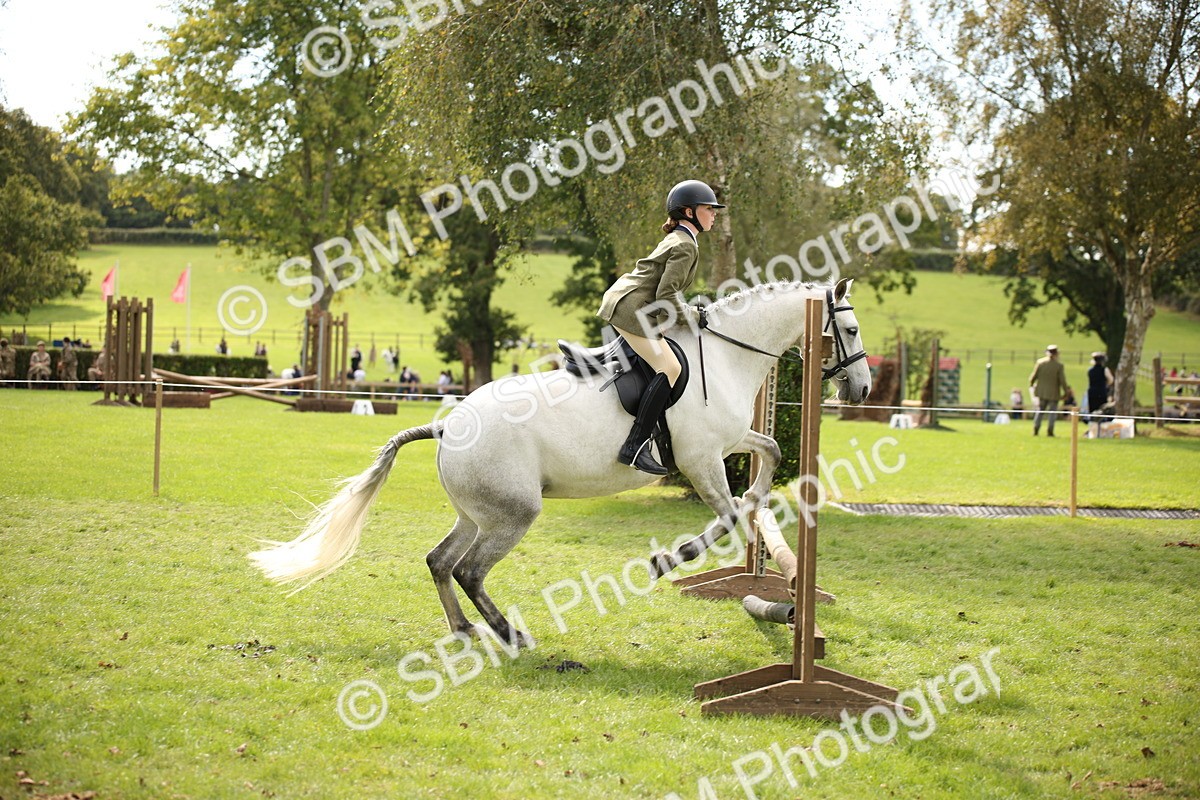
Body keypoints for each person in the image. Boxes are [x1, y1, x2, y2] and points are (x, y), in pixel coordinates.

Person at [596, 179, 724, 474]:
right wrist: (691, 316)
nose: (714, 214)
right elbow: (667, 294)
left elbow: (661, 292)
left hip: (632, 304)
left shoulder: (682, 239)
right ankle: (635, 446)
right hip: (631, 309)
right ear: (689, 213)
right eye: (709, 209)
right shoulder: (684, 245)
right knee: (671, 368)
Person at [1029, 344, 1071, 436]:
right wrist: (1066, 392)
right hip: (1053, 393)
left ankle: (1036, 429)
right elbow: (1062, 380)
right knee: (1052, 412)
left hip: (1041, 392)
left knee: (1040, 411)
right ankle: (1050, 431)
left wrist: (1031, 384)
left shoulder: (1040, 363)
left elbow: (1033, 377)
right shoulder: (1058, 365)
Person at [1085, 352, 1114, 421]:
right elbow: (1111, 380)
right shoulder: (1105, 370)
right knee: (1102, 409)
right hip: (1101, 392)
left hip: (1092, 392)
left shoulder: (1090, 370)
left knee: (1092, 410)